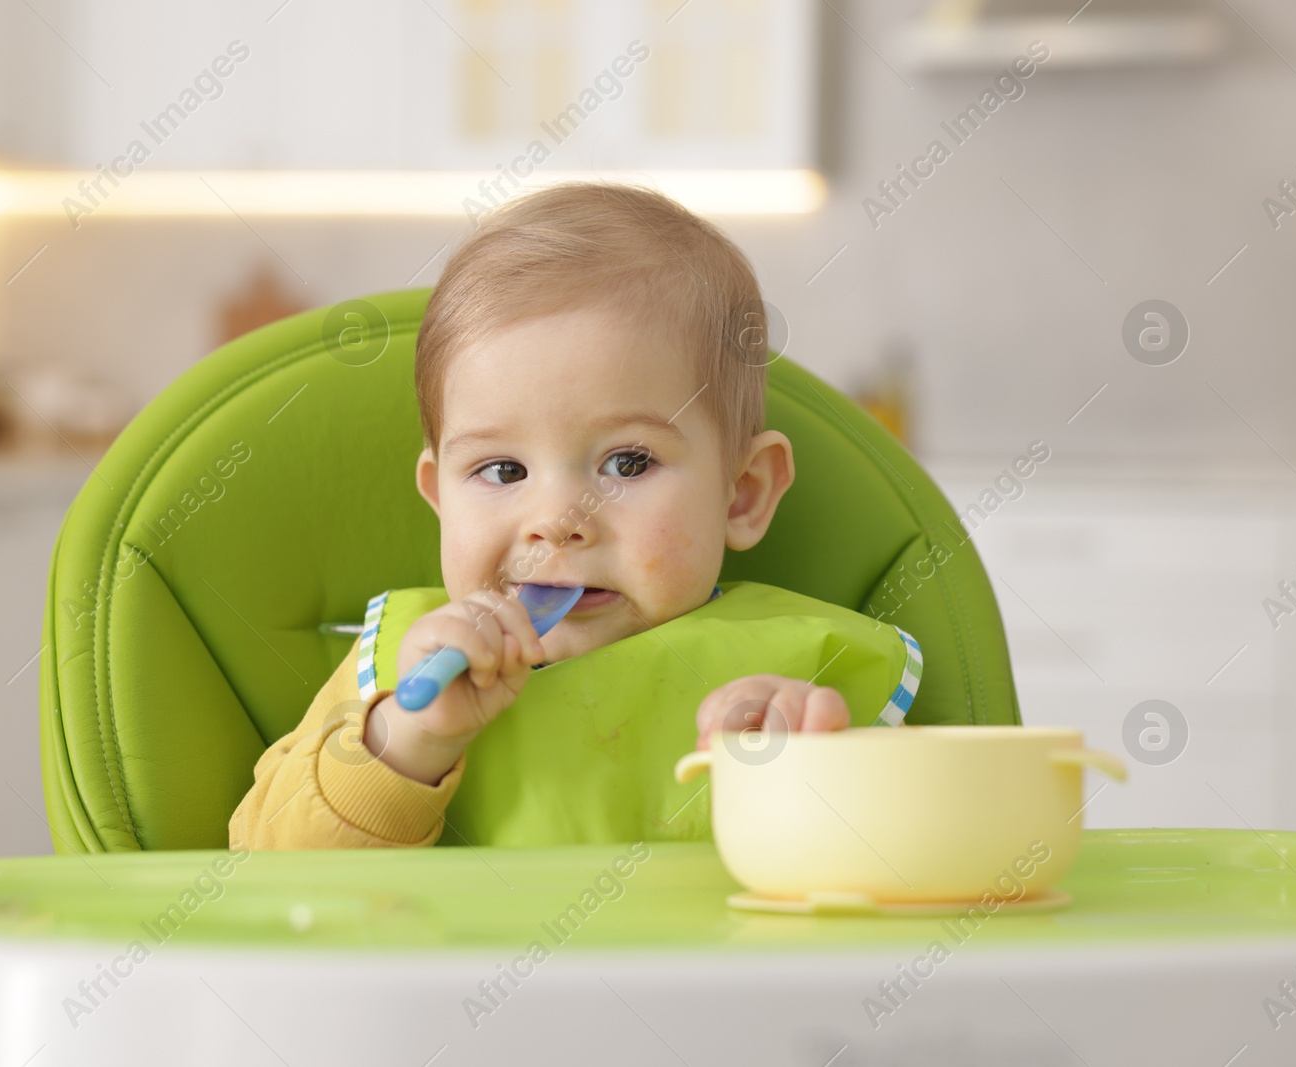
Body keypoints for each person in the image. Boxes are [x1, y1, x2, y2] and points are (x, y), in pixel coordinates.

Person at [230, 182, 920, 851]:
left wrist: (804, 769)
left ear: (741, 493)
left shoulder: (799, 672)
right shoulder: (402, 671)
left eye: (627, 463)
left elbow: (923, 872)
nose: (558, 521)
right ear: (441, 499)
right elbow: (263, 864)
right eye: (503, 471)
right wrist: (406, 743)